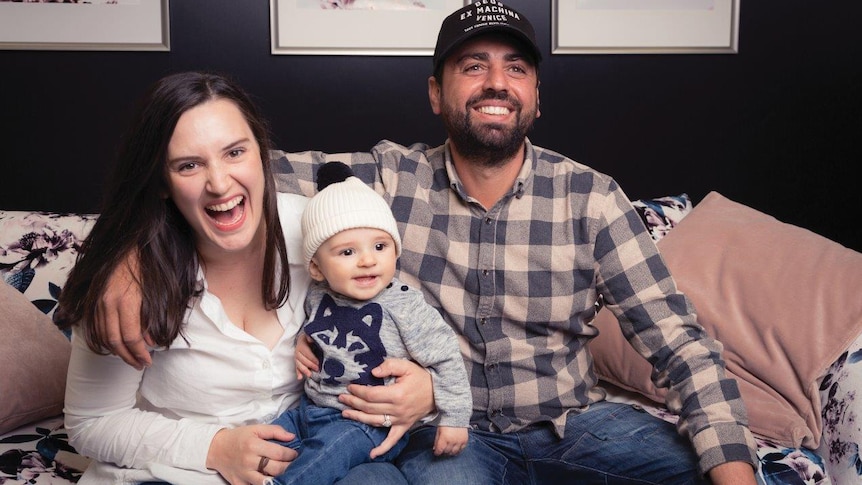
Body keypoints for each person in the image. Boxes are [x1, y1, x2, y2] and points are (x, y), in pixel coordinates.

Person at [97, 4, 760, 484]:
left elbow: (680, 344)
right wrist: (126, 252)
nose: (496, 82)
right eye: (474, 67)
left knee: (708, 467)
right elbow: (229, 176)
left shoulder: (591, 196)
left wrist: (734, 472)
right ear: (437, 93)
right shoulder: (383, 181)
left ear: (535, 97)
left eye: (515, 69)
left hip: (576, 423)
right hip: (450, 437)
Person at [55, 71, 416, 485]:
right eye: (189, 165)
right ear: (161, 184)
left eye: (234, 153)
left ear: (262, 155)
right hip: (177, 472)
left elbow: (393, 314)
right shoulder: (127, 279)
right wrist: (215, 447)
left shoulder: (322, 233)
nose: (219, 183)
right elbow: (93, 422)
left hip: (311, 458)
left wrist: (423, 390)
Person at [264, 161, 471, 485]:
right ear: (317, 268)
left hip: (370, 424)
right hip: (311, 409)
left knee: (326, 454)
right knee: (268, 441)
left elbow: (447, 358)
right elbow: (316, 327)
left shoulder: (404, 304)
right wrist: (303, 342)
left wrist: (455, 418)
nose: (367, 260)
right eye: (347, 252)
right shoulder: (317, 293)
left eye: (379, 246)